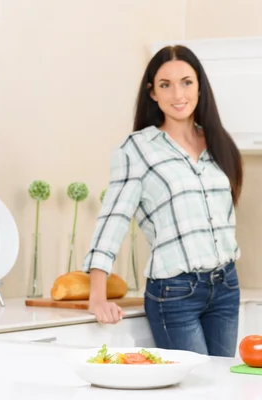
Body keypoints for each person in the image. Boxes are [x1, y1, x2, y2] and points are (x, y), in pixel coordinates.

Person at [82, 45, 244, 357]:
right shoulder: (137, 150)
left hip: (226, 287)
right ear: (153, 93)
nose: (178, 94)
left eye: (186, 82)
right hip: (175, 292)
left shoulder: (218, 143)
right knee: (192, 386)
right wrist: (97, 295)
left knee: (223, 386)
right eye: (165, 85)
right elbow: (112, 221)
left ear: (199, 85)